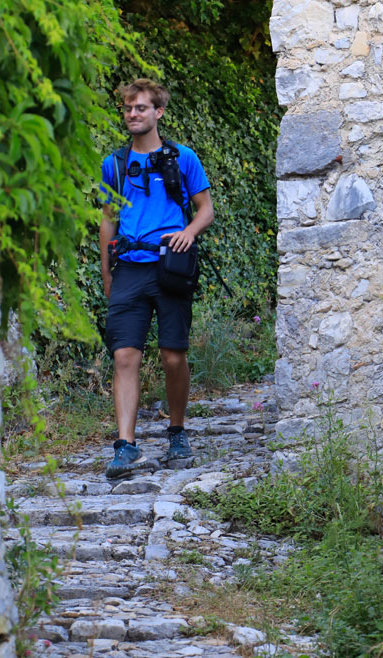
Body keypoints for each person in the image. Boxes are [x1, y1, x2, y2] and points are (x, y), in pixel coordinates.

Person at [100, 79, 214, 479]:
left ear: (158, 112)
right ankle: (126, 445)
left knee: (172, 355)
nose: (133, 114)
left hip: (171, 264)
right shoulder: (113, 164)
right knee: (124, 354)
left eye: (141, 108)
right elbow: (108, 220)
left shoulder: (183, 158)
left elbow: (205, 209)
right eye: (129, 109)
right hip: (129, 266)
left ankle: (177, 431)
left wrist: (188, 232)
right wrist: (106, 273)